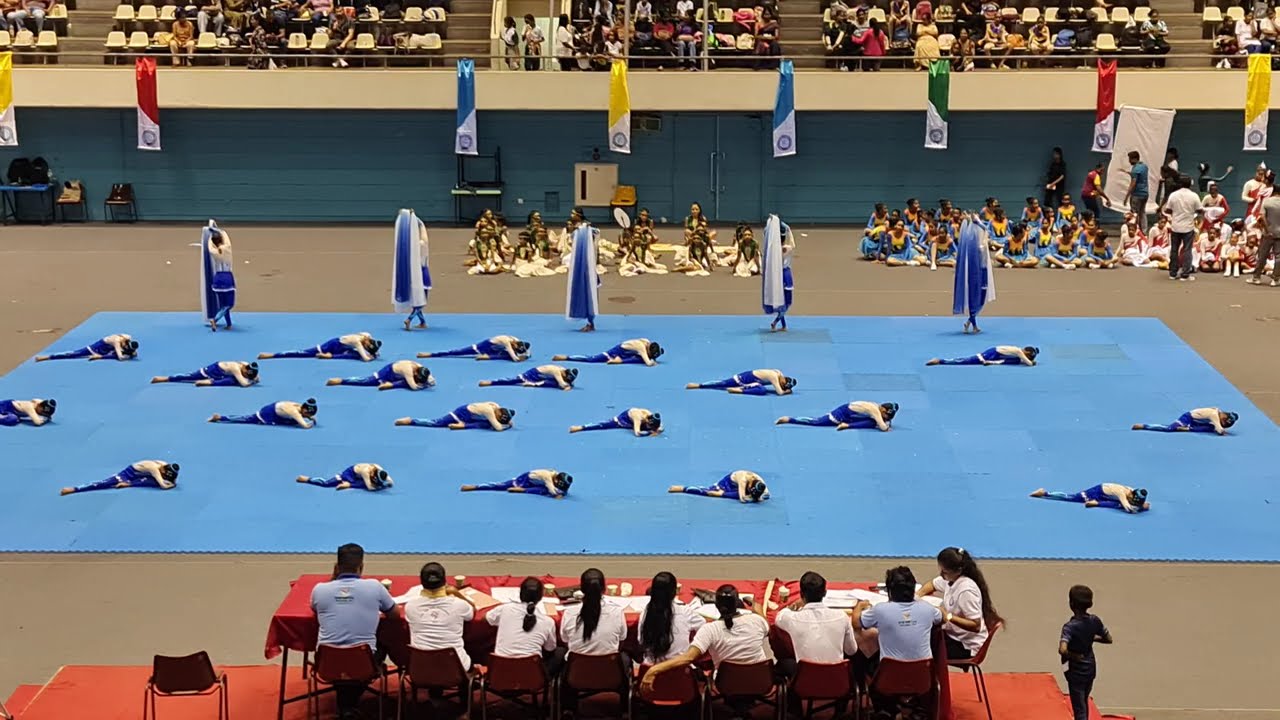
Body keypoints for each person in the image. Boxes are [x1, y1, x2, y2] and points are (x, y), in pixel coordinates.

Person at [310, 544, 399, 720]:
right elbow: (395, 615)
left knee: (344, 654)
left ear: (336, 567)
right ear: (361, 567)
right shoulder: (375, 586)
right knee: (383, 642)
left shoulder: (319, 589)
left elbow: (315, 609)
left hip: (327, 662)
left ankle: (346, 704)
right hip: (363, 662)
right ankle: (349, 705)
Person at [640, 585, 770, 700]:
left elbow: (687, 658)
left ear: (716, 605)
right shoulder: (757, 620)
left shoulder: (710, 629)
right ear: (738, 604)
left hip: (726, 684)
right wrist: (758, 610)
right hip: (760, 681)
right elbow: (766, 625)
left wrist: (654, 670)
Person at [855, 566, 942, 718]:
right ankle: (914, 707)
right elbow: (941, 617)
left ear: (889, 591)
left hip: (888, 680)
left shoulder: (880, 610)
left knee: (862, 655)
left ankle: (884, 709)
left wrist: (859, 606)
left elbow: (856, 623)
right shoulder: (928, 609)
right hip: (923, 678)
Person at [916, 547, 1002, 661]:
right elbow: (932, 584)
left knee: (921, 648)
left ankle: (935, 678)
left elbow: (975, 625)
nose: (941, 574)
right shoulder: (950, 579)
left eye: (944, 572)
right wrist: (917, 596)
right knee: (923, 637)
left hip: (965, 645)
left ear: (958, 571)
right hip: (953, 635)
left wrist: (948, 617)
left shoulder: (966, 591)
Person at [559, 569, 628, 697]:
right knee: (625, 657)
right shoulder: (617, 612)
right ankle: (624, 708)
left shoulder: (569, 613)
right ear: (604, 589)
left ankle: (568, 708)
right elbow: (621, 642)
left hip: (577, 672)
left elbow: (564, 641)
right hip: (610, 671)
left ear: (581, 590)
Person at [776, 571, 858, 674]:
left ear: (801, 594)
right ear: (825, 593)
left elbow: (779, 617)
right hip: (837, 682)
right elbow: (851, 650)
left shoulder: (792, 618)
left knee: (784, 663)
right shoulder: (842, 617)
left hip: (805, 684)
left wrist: (792, 606)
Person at [404, 562, 476, 669]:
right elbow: (472, 611)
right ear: (445, 582)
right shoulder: (459, 604)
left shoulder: (410, 606)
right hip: (455, 668)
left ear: (421, 583)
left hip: (421, 668)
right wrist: (456, 593)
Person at [1059, 586, 1113, 720]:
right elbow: (1108, 639)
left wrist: (1074, 655)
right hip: (1090, 668)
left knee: (1079, 707)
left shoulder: (1069, 627)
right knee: (1084, 700)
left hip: (1076, 671)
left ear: (1071, 604)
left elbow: (1062, 650)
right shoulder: (1095, 621)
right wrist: (1091, 637)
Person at [486, 576, 561, 673]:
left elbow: (487, 618)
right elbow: (550, 649)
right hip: (533, 677)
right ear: (540, 597)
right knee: (560, 653)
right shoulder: (548, 622)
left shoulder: (505, 609)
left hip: (501, 673)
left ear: (520, 595)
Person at [638, 572, 705, 666]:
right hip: (679, 672)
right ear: (674, 592)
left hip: (650, 672)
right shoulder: (685, 612)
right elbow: (703, 626)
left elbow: (641, 641)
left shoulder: (645, 613)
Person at [392, 209, 432, 331]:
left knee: (417, 301)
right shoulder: (422, 245)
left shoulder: (411, 250)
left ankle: (422, 322)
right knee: (421, 302)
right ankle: (409, 319)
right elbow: (424, 233)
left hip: (414, 276)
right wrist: (416, 219)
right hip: (424, 275)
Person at [953, 219, 995, 334]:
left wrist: (977, 223)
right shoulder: (979, 247)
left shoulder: (979, 245)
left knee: (979, 300)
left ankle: (971, 322)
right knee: (977, 300)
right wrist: (979, 224)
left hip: (982, 272)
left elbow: (987, 231)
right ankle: (972, 322)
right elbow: (987, 231)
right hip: (979, 275)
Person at [1163, 174, 1203, 281]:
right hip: (1188, 227)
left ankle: (1173, 273)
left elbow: (1168, 210)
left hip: (1175, 226)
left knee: (1174, 250)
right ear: (1190, 184)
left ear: (1179, 184)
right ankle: (1185, 274)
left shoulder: (1173, 195)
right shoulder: (1194, 196)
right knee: (1187, 250)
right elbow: (1200, 210)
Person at [61, 460, 179, 496]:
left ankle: (129, 484)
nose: (163, 476)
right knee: (104, 484)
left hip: (140, 475)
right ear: (163, 470)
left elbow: (168, 480)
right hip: (127, 474)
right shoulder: (154, 468)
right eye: (163, 474)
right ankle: (75, 489)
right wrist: (172, 484)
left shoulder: (164, 464)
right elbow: (164, 486)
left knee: (153, 482)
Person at [200, 222, 236, 331]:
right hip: (227, 279)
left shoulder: (213, 251)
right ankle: (214, 320)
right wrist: (219, 230)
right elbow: (226, 237)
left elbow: (210, 245)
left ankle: (229, 324)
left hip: (217, 280)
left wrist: (210, 235)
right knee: (229, 304)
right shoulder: (227, 248)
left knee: (223, 304)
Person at [1248, 169, 1280, 287]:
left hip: (1268, 233)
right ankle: (1275, 279)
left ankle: (1256, 278)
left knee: (1262, 255)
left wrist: (1267, 230)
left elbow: (1261, 217)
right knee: (1278, 257)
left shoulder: (1267, 202)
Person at [762, 215, 795, 331]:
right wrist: (786, 227)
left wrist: (770, 227)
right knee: (787, 303)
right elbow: (792, 242)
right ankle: (775, 322)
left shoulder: (773, 251)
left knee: (781, 303)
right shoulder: (787, 248)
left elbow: (766, 236)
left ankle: (783, 325)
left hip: (776, 275)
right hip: (786, 275)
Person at [565, 224, 600, 332]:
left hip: (591, 274)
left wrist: (588, 230)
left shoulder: (591, 246)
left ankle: (590, 322)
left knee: (590, 298)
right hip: (583, 271)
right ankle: (590, 322)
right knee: (586, 296)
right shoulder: (578, 241)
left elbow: (596, 232)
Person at [776, 401, 897, 431]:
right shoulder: (875, 410)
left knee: (872, 422)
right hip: (840, 415)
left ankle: (847, 425)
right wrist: (886, 425)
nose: (885, 416)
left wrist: (886, 421)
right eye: (885, 414)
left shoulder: (877, 407)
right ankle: (789, 419)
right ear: (882, 408)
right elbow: (883, 427)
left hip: (849, 415)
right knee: (816, 422)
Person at [258, 333, 381, 361]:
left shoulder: (366, 335)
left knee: (354, 355)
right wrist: (371, 356)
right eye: (367, 346)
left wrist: (373, 352)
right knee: (303, 353)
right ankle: (273, 354)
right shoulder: (357, 341)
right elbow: (366, 359)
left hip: (343, 347)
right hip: (332, 345)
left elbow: (367, 350)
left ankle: (330, 356)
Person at [1031, 484, 1149, 513]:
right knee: (1072, 497)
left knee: (1117, 505)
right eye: (1133, 500)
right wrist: (1141, 508)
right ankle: (1045, 493)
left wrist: (1142, 504)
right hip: (1095, 492)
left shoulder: (1131, 491)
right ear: (1131, 495)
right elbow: (1129, 509)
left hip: (1104, 494)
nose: (1131, 501)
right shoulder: (1122, 493)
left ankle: (1097, 503)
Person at [396, 403, 515, 431]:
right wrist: (507, 426)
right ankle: (411, 420)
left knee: (488, 425)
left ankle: (464, 426)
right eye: (499, 417)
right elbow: (499, 428)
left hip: (472, 417)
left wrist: (506, 423)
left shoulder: (496, 406)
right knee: (437, 423)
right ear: (499, 412)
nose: (497, 417)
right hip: (461, 414)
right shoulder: (489, 410)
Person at [668, 470, 770, 503]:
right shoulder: (743, 480)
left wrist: (758, 497)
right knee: (714, 493)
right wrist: (756, 499)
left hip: (742, 488)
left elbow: (767, 494)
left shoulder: (760, 482)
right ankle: (683, 488)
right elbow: (743, 499)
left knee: (755, 497)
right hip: (726, 484)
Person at [327, 360, 434, 391]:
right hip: (387, 373)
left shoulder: (420, 367)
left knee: (408, 382)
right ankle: (342, 380)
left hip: (399, 375)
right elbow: (414, 387)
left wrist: (427, 382)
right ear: (416, 373)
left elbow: (432, 381)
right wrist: (424, 385)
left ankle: (390, 385)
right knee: (367, 381)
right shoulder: (408, 370)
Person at [461, 469, 573, 498]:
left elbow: (562, 490)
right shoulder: (547, 477)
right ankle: (475, 487)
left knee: (545, 491)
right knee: (500, 486)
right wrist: (561, 494)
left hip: (535, 482)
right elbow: (554, 492)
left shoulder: (555, 476)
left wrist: (562, 492)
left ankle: (524, 490)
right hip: (524, 480)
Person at [209, 398, 317, 428]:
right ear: (304, 410)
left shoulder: (299, 406)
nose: (308, 416)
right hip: (268, 414)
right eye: (308, 414)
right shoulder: (294, 412)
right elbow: (305, 426)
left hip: (276, 409)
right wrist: (312, 422)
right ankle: (220, 417)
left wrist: (309, 417)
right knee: (247, 419)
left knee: (293, 423)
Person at [150, 360, 259, 387]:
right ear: (244, 370)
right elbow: (244, 384)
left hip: (223, 374)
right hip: (211, 371)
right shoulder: (235, 368)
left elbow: (256, 377)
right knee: (189, 377)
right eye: (246, 374)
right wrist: (252, 381)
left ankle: (209, 383)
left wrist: (253, 378)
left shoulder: (246, 364)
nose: (246, 376)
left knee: (232, 381)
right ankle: (164, 378)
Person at [420, 335, 530, 362]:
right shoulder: (507, 341)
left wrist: (526, 355)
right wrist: (520, 358)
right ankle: (431, 354)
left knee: (506, 355)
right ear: (515, 344)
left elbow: (528, 351)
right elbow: (515, 359)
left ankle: (488, 357)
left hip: (495, 349)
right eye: (516, 348)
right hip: (482, 347)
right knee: (458, 352)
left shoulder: (516, 339)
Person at [686, 369, 796, 395]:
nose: (781, 385)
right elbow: (779, 393)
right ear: (784, 379)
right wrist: (787, 391)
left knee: (761, 388)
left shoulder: (778, 372)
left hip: (750, 378)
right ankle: (699, 385)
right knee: (723, 383)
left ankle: (739, 390)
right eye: (782, 384)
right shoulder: (774, 376)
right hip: (744, 379)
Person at [553, 339, 662, 365]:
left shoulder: (647, 341)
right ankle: (567, 357)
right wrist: (652, 360)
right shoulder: (641, 347)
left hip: (626, 352)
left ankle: (620, 360)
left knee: (639, 359)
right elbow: (648, 363)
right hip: (616, 352)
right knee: (592, 359)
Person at [1132, 407, 1237, 435]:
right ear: (1223, 418)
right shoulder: (1214, 414)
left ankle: (1187, 429)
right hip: (1187, 418)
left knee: (1211, 428)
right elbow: (1219, 429)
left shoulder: (1217, 413)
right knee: (1169, 429)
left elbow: (1218, 427)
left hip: (1196, 421)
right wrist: (1222, 431)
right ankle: (1144, 426)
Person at [36, 334, 137, 362]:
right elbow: (120, 358)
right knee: (73, 354)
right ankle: (47, 357)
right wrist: (100, 357)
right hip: (94, 349)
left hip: (107, 349)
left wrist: (132, 353)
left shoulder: (127, 337)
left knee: (126, 353)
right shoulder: (116, 342)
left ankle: (100, 356)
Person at [297, 463, 393, 491]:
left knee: (365, 483)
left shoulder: (379, 468)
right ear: (373, 475)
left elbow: (391, 482)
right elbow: (370, 488)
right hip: (349, 474)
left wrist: (385, 483)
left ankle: (350, 484)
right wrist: (350, 485)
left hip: (358, 476)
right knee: (327, 484)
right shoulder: (366, 471)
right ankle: (306, 479)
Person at [569, 408, 661, 436]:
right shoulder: (638, 417)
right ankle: (580, 427)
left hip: (636, 422)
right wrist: (649, 433)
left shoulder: (650, 414)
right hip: (621, 421)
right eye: (650, 425)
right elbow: (637, 433)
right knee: (602, 425)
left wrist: (656, 430)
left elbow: (661, 427)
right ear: (648, 421)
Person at [479, 365, 577, 390]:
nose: (564, 378)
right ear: (564, 373)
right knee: (513, 380)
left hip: (540, 377)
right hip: (531, 375)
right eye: (565, 377)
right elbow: (562, 385)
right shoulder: (556, 371)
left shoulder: (563, 370)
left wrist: (568, 384)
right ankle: (491, 382)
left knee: (554, 383)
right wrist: (568, 386)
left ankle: (534, 384)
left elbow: (564, 383)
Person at [926, 346, 1038, 366]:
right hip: (992, 354)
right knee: (968, 360)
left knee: (1017, 361)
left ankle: (941, 361)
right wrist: (1031, 363)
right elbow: (1028, 363)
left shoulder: (1017, 352)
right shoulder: (1019, 351)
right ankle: (940, 361)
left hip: (995, 355)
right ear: (1026, 353)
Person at [1123, 151, 1151, 233]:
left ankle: (1135, 231)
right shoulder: (1144, 166)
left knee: (1134, 213)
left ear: (1134, 159)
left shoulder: (1135, 169)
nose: (1129, 161)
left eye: (1129, 159)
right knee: (1142, 212)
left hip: (1137, 194)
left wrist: (1126, 196)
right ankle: (1144, 231)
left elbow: (1133, 183)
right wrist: (1131, 173)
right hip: (1145, 193)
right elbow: (1140, 177)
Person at [1044, 147, 1067, 211]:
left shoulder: (1062, 164)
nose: (1054, 155)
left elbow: (1062, 176)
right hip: (1051, 183)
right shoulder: (1053, 164)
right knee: (1047, 200)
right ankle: (1048, 215)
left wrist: (1054, 183)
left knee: (1060, 199)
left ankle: (1061, 215)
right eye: (1053, 154)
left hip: (1059, 184)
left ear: (1059, 155)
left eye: (1055, 154)